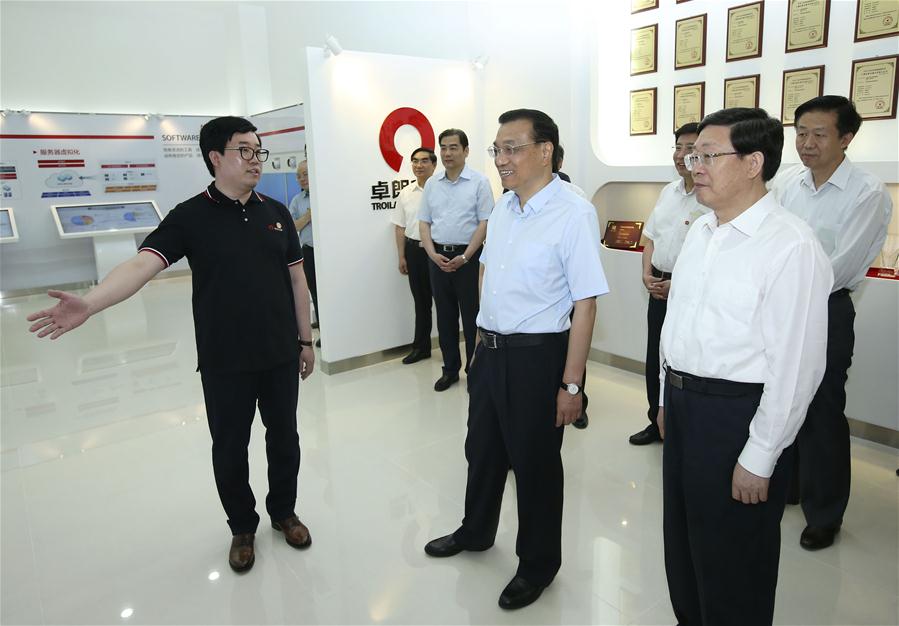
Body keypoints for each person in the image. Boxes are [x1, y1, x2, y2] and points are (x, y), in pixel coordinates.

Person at [27, 116, 316, 574]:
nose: (255, 159)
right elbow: (142, 265)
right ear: (215, 158)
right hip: (225, 360)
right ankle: (242, 525)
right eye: (244, 150)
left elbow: (297, 280)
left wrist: (305, 339)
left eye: (258, 150)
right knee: (229, 446)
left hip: (281, 353)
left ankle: (284, 512)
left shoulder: (276, 213)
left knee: (285, 439)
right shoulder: (190, 216)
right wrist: (91, 302)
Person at [424, 109, 609, 610]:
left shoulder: (573, 212)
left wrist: (572, 385)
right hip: (491, 351)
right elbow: (486, 271)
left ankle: (538, 564)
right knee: (481, 450)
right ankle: (476, 530)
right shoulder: (505, 208)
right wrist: (482, 338)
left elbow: (586, 302)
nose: (501, 159)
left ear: (544, 150)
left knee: (535, 466)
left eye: (512, 148)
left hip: (538, 357)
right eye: (497, 149)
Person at [658, 107, 832, 625]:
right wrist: (667, 401)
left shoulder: (790, 244)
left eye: (709, 155)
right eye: (694, 155)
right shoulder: (701, 232)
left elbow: (797, 367)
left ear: (754, 162)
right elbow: (677, 325)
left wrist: (761, 453)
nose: (695, 166)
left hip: (737, 417)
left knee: (735, 559)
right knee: (685, 544)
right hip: (687, 407)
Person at [771, 95, 893, 551]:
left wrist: (781, 281)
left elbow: (841, 266)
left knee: (822, 409)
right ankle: (791, 485)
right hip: (782, 305)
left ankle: (825, 513)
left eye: (819, 134)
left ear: (846, 138)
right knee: (782, 395)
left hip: (825, 309)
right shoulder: (788, 185)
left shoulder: (866, 193)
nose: (806, 143)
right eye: (800, 132)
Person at [629, 123, 709, 446]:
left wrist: (677, 284)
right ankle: (655, 420)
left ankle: (681, 429)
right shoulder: (668, 192)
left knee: (684, 362)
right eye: (678, 147)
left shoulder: (710, 196)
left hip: (689, 294)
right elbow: (650, 239)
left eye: (690, 148)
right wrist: (646, 273)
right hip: (658, 290)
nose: (681, 155)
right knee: (655, 359)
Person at [419, 128, 494, 391]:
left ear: (465, 150)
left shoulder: (479, 182)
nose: (447, 153)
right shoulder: (432, 183)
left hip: (469, 258)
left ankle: (474, 369)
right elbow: (424, 223)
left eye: (453, 147)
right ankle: (450, 369)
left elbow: (485, 222)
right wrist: (431, 253)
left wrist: (465, 256)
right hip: (437, 257)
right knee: (445, 316)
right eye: (443, 147)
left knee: (472, 316)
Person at [391, 147, 437, 364]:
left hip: (437, 251)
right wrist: (402, 256)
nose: (419, 165)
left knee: (445, 304)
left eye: (424, 161)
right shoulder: (405, 193)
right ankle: (421, 347)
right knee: (421, 302)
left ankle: (452, 351)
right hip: (414, 251)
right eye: (415, 161)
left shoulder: (441, 190)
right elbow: (400, 227)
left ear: (434, 165)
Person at [288, 159, 320, 345]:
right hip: (308, 252)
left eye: (305, 174)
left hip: (328, 255)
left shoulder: (323, 195)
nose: (302, 178)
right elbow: (293, 227)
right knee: (314, 291)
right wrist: (308, 216)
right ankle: (323, 327)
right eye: (299, 176)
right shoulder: (297, 201)